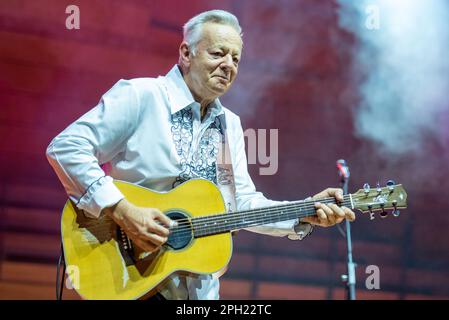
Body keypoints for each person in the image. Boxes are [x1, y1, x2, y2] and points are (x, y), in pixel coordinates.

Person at [46, 9, 355, 300]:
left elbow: (240, 204)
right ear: (185, 53)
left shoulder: (230, 125)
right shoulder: (142, 95)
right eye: (218, 53)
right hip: (129, 277)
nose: (229, 65)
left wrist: (303, 212)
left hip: (200, 292)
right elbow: (66, 147)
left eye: (235, 58)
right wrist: (123, 210)